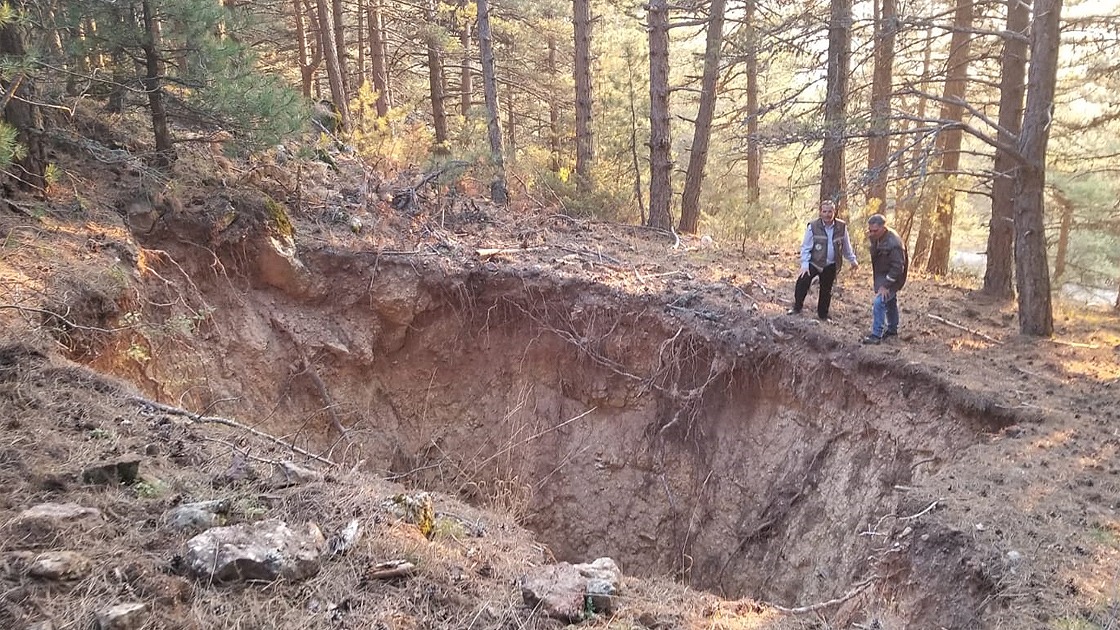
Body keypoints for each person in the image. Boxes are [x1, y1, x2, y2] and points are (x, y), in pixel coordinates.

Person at [788, 200, 859, 321]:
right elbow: (805, 247)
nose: (827, 214)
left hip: (830, 264)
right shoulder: (813, 226)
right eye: (824, 211)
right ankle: (797, 307)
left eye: (830, 211)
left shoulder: (841, 227)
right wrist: (804, 265)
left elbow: (846, 246)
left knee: (826, 290)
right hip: (814, 262)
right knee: (802, 281)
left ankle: (823, 315)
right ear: (820, 212)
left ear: (834, 212)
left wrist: (853, 260)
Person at [862, 213, 908, 344]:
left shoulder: (894, 244)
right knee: (890, 302)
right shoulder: (877, 237)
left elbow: (898, 267)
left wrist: (886, 285)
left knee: (879, 302)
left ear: (883, 228)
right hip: (882, 274)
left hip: (893, 278)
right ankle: (892, 329)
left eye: (875, 231)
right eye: (870, 230)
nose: (871, 233)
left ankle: (876, 335)